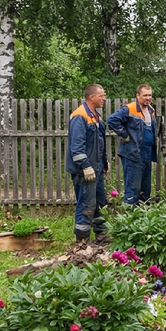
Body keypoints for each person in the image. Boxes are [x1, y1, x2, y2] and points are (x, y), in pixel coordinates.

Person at [66, 84, 111, 244]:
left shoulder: (95, 116)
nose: (104, 99)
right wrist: (85, 166)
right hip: (84, 171)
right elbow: (77, 147)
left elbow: (98, 142)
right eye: (101, 96)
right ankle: (82, 240)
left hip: (96, 168)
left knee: (99, 202)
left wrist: (104, 161)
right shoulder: (80, 116)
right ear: (92, 97)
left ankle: (101, 235)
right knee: (86, 203)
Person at [108, 84, 163, 205]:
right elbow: (112, 120)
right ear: (138, 96)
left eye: (150, 95)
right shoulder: (129, 108)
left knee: (145, 189)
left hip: (147, 153)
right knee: (133, 188)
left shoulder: (150, 110)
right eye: (145, 95)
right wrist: (125, 135)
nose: (148, 98)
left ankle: (142, 218)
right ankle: (130, 217)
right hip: (132, 153)